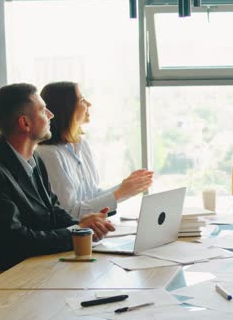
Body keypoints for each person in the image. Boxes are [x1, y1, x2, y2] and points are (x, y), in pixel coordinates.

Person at [0, 83, 114, 278]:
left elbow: (52, 211)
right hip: (0, 281)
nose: (50, 115)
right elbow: (16, 241)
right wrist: (75, 232)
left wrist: (83, 226)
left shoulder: (34, 158)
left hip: (35, 269)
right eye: (42, 110)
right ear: (25, 123)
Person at [37, 81, 153, 218]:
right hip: (74, 235)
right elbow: (69, 213)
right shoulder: (49, 154)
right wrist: (121, 193)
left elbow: (91, 196)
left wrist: (126, 187)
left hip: (93, 231)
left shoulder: (81, 144)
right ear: (66, 108)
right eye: (82, 100)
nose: (89, 104)